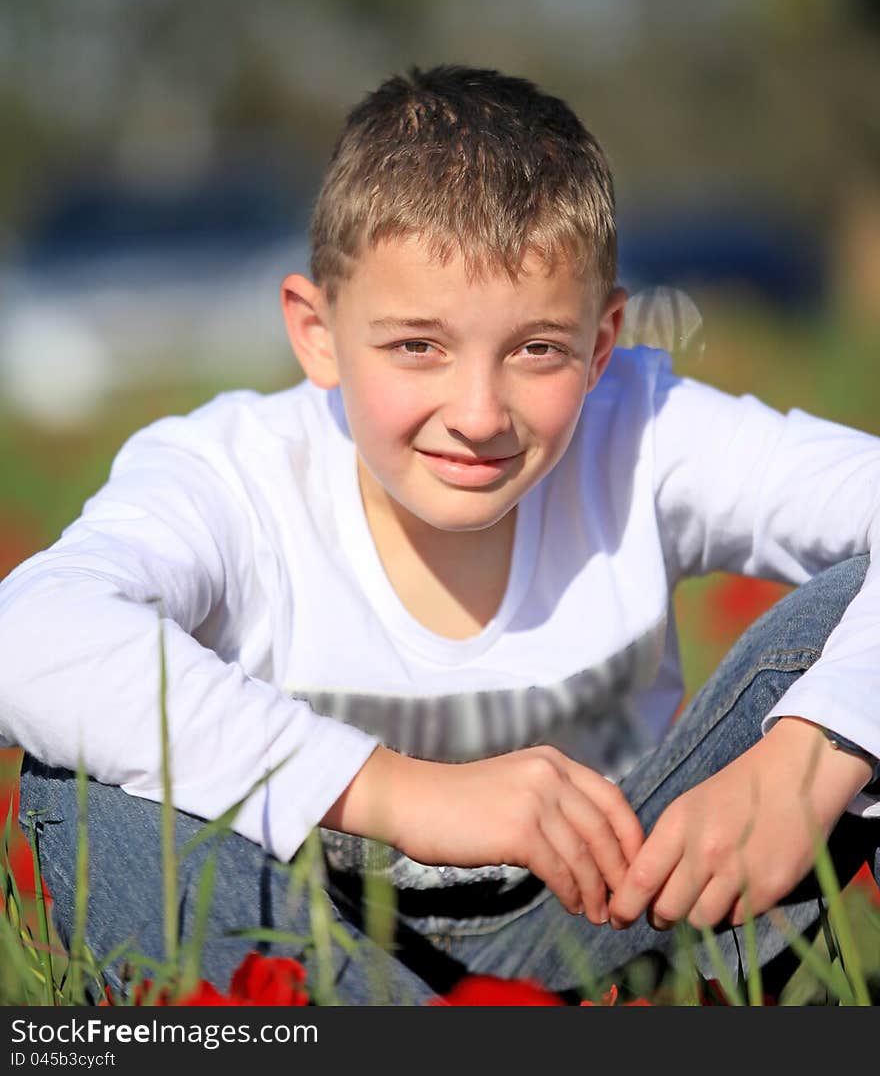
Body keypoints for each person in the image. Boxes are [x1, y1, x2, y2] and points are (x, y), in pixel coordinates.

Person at [2, 64, 879, 1006]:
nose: (477, 413)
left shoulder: (645, 430)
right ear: (317, 331)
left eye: (538, 348)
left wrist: (811, 755)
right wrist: (401, 793)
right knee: (77, 792)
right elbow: (29, 638)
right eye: (418, 345)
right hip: (306, 929)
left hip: (614, 904)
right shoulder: (232, 469)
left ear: (602, 340)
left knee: (843, 663)